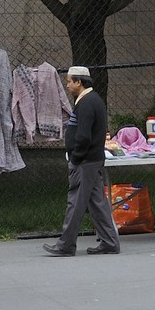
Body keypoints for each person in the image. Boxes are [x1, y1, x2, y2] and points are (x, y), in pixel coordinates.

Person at [44, 66, 121, 257]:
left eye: (70, 81)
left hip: (85, 162)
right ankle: (110, 242)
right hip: (92, 160)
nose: (67, 84)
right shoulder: (92, 100)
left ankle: (66, 245)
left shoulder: (87, 102)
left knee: (75, 202)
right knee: (97, 202)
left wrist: (76, 157)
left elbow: (84, 136)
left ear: (79, 82)